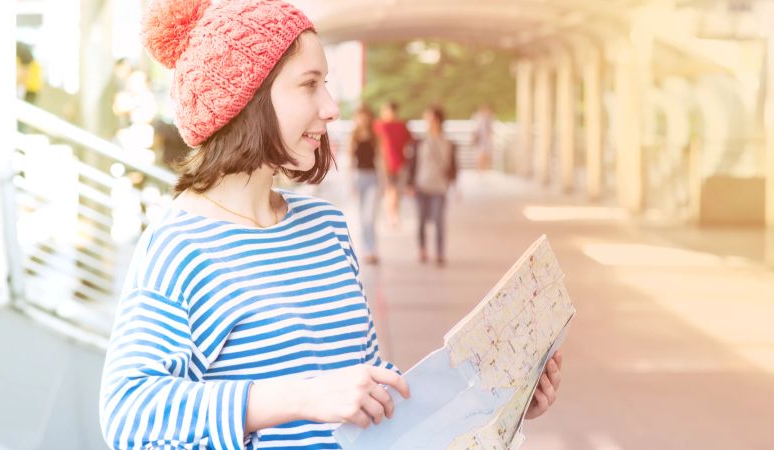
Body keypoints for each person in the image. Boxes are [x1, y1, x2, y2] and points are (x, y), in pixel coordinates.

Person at [100, 2, 564, 449]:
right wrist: (302, 396)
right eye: (309, 84)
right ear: (249, 100)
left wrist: (499, 398)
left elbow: (368, 396)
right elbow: (128, 411)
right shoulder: (181, 246)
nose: (331, 106)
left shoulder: (326, 227)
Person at [408, 105, 457, 267]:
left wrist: (455, 186)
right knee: (421, 221)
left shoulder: (448, 143)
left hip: (440, 187)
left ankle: (440, 253)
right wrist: (410, 184)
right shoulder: (419, 141)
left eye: (429, 118)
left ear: (437, 120)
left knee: (438, 221)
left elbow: (453, 166)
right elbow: (413, 164)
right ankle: (422, 249)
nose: (427, 121)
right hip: (421, 186)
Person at [347, 104, 383, 265]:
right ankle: (366, 249)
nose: (363, 119)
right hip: (359, 177)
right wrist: (350, 183)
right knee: (362, 217)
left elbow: (381, 161)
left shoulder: (375, 137)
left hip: (373, 178)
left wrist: (385, 183)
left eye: (365, 115)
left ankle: (372, 248)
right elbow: (350, 162)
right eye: (360, 116)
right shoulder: (353, 136)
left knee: (369, 216)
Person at [372, 102, 411, 228]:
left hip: (400, 163)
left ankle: (394, 214)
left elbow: (409, 142)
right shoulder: (378, 125)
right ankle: (392, 216)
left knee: (397, 192)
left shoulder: (401, 126)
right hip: (384, 163)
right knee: (390, 190)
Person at [471, 103, 494, 171]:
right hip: (480, 141)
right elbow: (475, 130)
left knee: (486, 156)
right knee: (480, 156)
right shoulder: (478, 118)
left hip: (486, 142)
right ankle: (481, 171)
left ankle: (484, 171)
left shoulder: (490, 118)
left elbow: (490, 131)